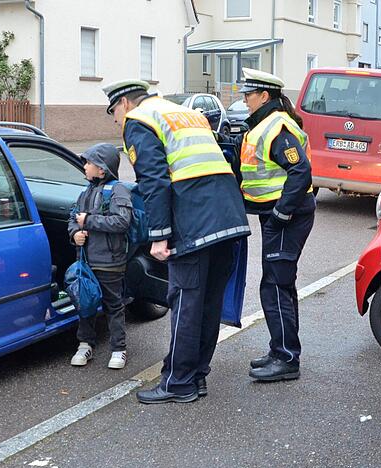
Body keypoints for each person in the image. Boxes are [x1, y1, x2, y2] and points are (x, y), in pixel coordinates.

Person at [102, 80, 251, 403]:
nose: (115, 120)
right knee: (209, 303)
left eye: (113, 112)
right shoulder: (185, 113)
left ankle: (178, 382)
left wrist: (159, 234)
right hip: (228, 215)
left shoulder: (139, 120)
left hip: (193, 220)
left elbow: (154, 182)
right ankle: (196, 375)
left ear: (125, 103)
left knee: (185, 301)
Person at [222, 68, 315, 382]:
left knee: (275, 285)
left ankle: (287, 358)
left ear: (264, 95)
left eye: (248, 94)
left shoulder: (277, 127)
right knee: (279, 285)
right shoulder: (262, 124)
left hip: (286, 217)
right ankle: (281, 350)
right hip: (276, 216)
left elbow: (299, 171)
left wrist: (281, 215)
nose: (245, 100)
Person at [67, 143, 132, 370]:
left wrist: (89, 222)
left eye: (88, 163)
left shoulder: (118, 191)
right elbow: (73, 218)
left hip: (111, 263)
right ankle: (85, 344)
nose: (84, 167)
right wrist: (75, 233)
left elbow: (123, 221)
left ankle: (118, 349)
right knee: (85, 303)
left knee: (113, 305)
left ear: (102, 169)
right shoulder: (85, 192)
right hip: (86, 261)